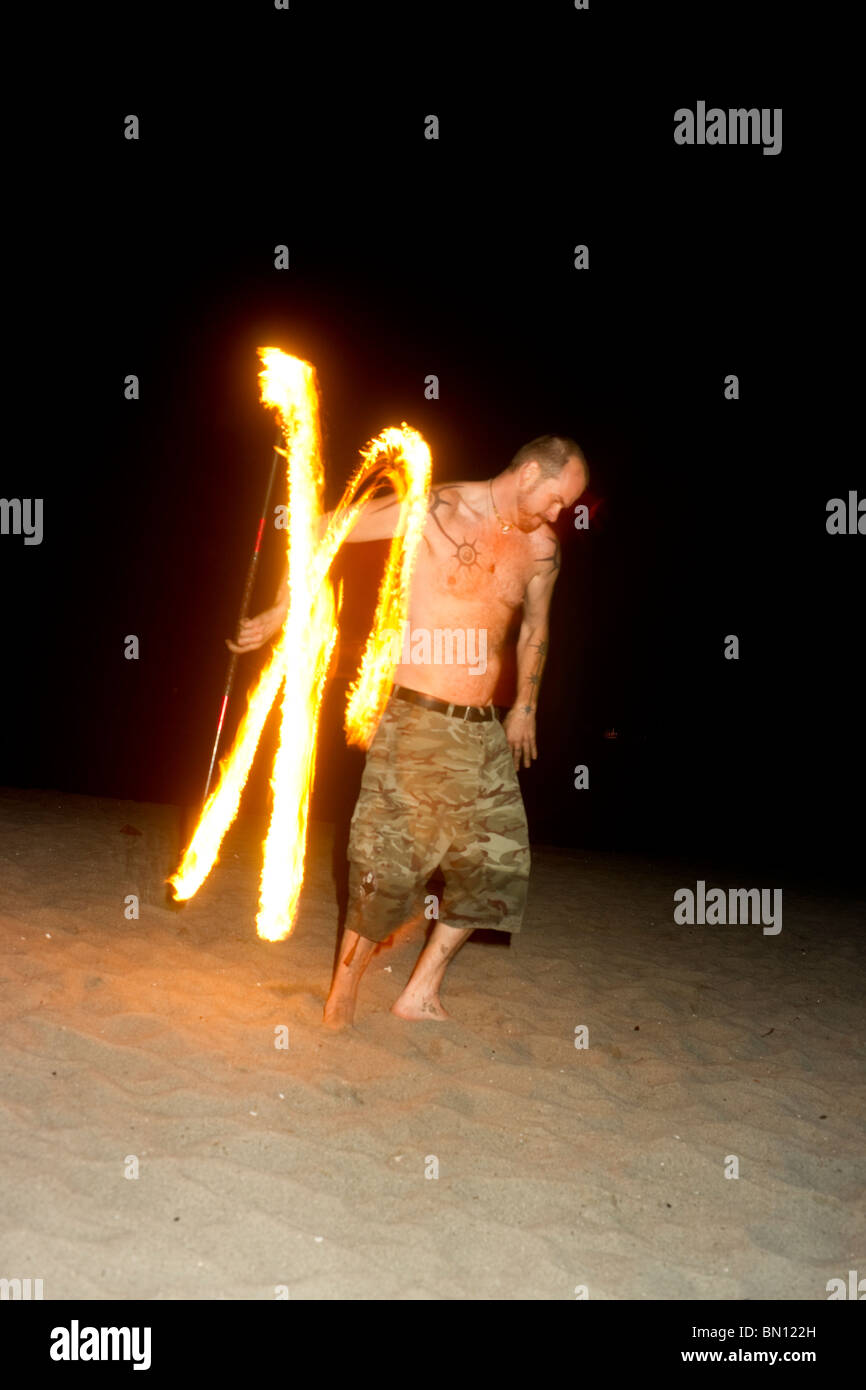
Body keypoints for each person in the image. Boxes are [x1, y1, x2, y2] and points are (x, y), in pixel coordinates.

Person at [228, 435, 589, 1028]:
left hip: (483, 732)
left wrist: (525, 704)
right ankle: (342, 994)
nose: (559, 515)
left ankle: (419, 991)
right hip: (417, 716)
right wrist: (284, 610)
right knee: (388, 867)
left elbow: (534, 632)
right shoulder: (434, 510)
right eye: (556, 499)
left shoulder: (543, 548)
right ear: (528, 474)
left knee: (498, 865)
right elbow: (322, 525)